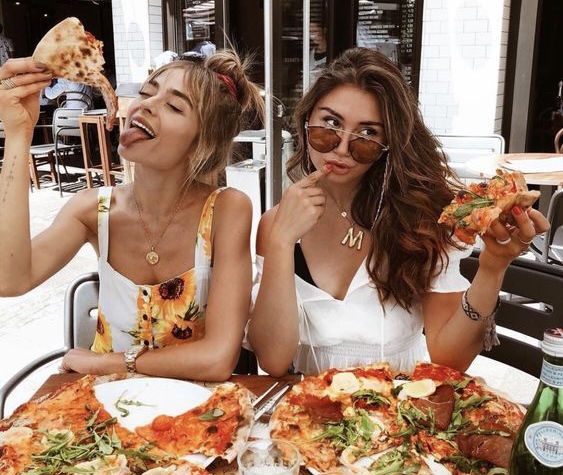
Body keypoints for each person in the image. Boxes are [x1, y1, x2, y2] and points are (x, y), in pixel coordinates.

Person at [246, 47, 549, 377]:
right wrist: (280, 242)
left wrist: (492, 268)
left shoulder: (420, 218)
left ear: (388, 145)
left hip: (399, 414)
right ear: (306, 124)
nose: (343, 148)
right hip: (307, 417)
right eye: (330, 124)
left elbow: (449, 360)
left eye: (367, 134)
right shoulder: (277, 224)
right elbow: (273, 361)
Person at [0, 51, 263, 381]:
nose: (147, 105)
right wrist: (18, 134)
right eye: (147, 92)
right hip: (104, 414)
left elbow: (217, 359)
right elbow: (9, 279)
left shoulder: (227, 210)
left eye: (174, 106)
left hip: (194, 418)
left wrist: (108, 363)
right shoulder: (92, 210)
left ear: (202, 143)